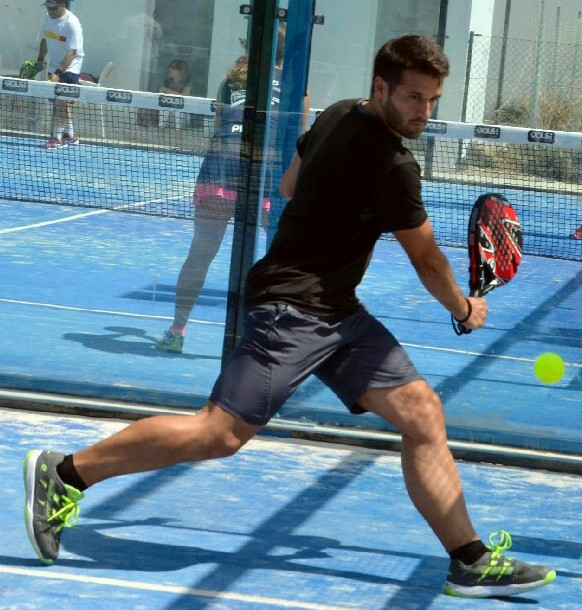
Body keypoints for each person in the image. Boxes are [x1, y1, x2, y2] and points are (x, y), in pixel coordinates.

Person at [23, 35, 556, 599]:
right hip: (292, 310)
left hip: (338, 311)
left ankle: (468, 560)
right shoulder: (394, 165)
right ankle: (65, 473)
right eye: (414, 98)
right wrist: (465, 309)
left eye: (432, 100)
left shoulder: (337, 114)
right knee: (220, 433)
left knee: (422, 414)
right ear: (382, 87)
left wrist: (340, 213)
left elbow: (289, 185)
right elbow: (425, 259)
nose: (424, 112)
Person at [157, 25, 309, 353]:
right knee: (283, 259)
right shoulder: (296, 87)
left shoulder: (231, 79)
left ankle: (177, 330)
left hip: (222, 166)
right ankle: (282, 339)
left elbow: (219, 126)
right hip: (265, 170)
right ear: (287, 53)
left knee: (200, 255)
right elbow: (298, 141)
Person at [36, 0, 84, 149]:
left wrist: (58, 73)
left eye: (53, 8)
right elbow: (44, 39)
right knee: (60, 102)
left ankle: (57, 138)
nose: (50, 11)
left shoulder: (72, 23)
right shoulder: (47, 18)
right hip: (55, 65)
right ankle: (70, 134)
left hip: (71, 66)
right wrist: (40, 58)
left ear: (62, 4)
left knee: (60, 102)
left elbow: (72, 53)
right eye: (48, 8)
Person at [158, 59, 192, 130]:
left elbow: (185, 96)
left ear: (181, 71)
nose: (170, 69)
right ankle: (160, 130)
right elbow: (161, 93)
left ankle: (178, 133)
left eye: (174, 68)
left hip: (183, 118)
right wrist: (174, 93)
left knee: (178, 108)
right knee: (165, 107)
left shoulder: (187, 82)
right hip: (168, 119)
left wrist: (169, 91)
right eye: (169, 67)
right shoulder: (166, 82)